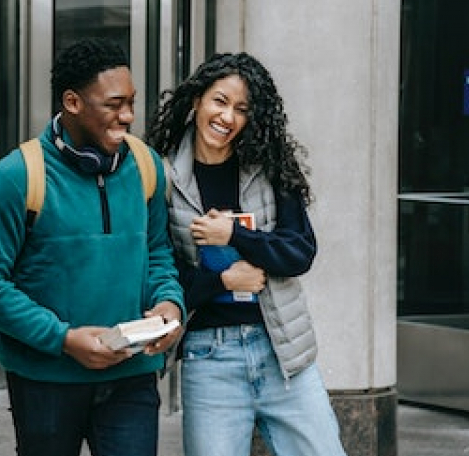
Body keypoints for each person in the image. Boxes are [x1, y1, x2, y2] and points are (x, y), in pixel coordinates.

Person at [0, 37, 185, 456]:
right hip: (46, 384)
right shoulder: (14, 178)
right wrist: (62, 338)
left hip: (133, 376)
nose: (127, 116)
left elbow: (159, 252)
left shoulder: (146, 166)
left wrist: (169, 303)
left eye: (131, 102)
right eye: (113, 104)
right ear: (72, 102)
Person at [145, 52, 348, 456]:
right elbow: (159, 272)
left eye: (241, 109)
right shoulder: (162, 176)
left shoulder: (269, 166)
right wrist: (222, 280)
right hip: (210, 356)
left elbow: (299, 252)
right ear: (197, 101)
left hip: (282, 353)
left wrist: (234, 234)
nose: (227, 118)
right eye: (219, 101)